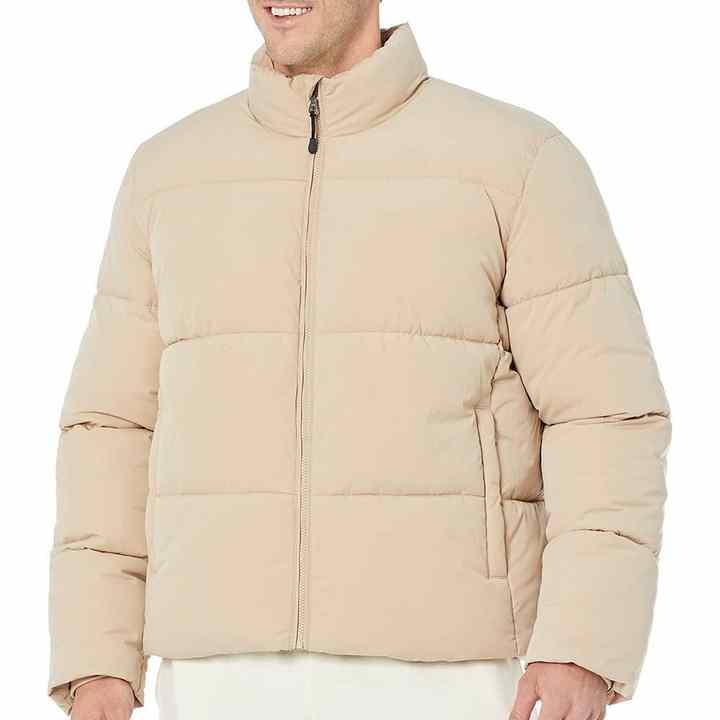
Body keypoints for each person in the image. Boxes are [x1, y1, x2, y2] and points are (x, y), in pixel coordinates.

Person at [48, 2, 671, 719]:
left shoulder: (516, 161)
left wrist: (583, 641)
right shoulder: (168, 174)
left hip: (450, 677)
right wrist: (97, 655)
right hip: (216, 677)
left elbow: (605, 414)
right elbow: (112, 428)